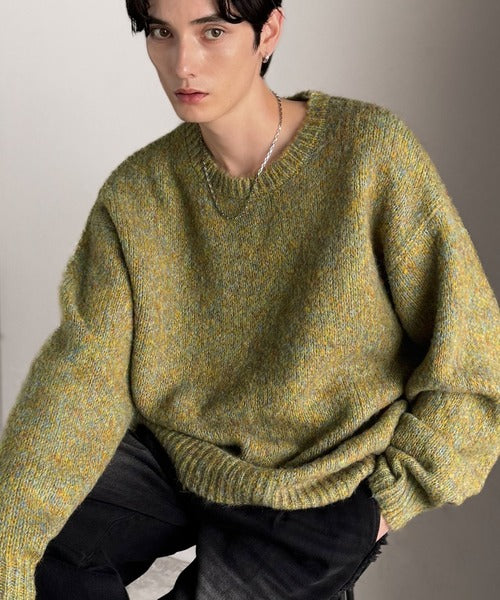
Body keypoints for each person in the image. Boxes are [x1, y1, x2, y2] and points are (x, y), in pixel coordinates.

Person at [0, 0, 498, 598]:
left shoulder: (368, 154)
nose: (183, 63)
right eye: (162, 32)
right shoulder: (136, 196)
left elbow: (472, 357)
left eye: (212, 32)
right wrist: (12, 534)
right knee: (27, 548)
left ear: (268, 32)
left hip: (322, 486)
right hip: (179, 456)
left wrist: (388, 501)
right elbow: (81, 378)